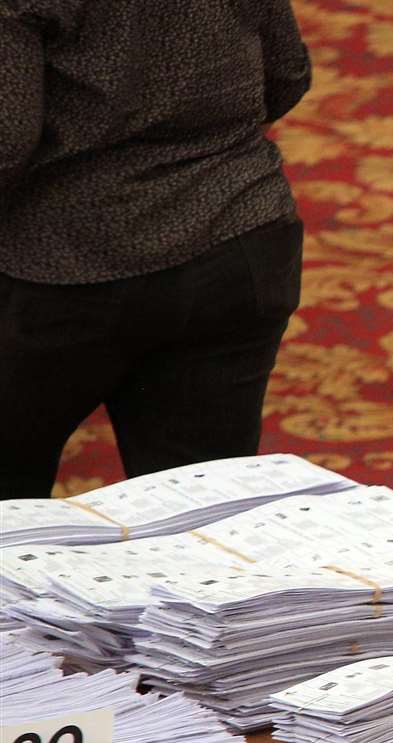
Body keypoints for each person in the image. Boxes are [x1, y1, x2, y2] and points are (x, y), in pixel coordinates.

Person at [0, 0, 309, 498]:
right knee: (199, 524)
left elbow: (5, 143)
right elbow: (287, 74)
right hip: (238, 236)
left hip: (59, 267)